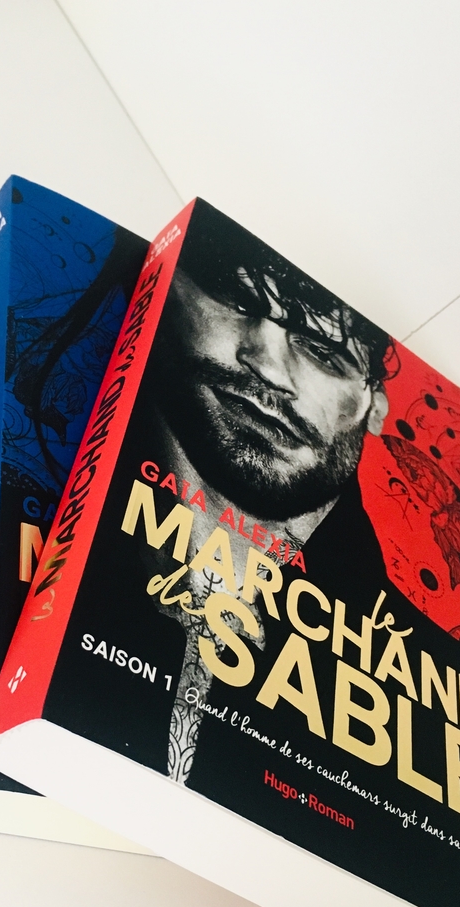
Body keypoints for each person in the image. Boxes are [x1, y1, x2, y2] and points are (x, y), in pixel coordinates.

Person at [137, 201, 395, 782]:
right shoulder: (26, 528)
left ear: (374, 405)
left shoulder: (416, 684)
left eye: (322, 349)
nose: (269, 367)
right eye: (236, 300)